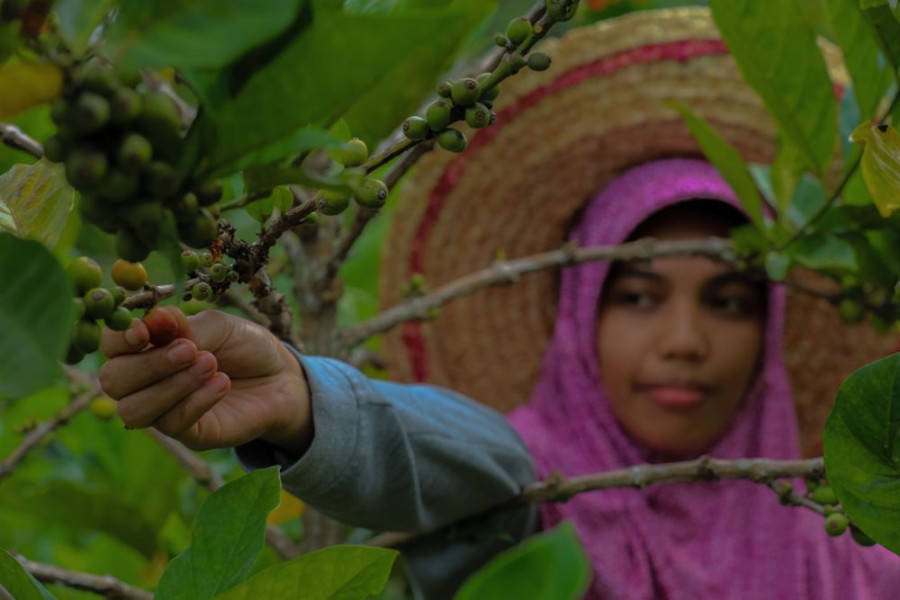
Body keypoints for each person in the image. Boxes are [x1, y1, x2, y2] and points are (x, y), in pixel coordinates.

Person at [97, 8, 900, 600]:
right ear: (579, 315)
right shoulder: (531, 498)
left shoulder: (858, 562)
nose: (684, 341)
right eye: (640, 296)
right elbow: (471, 459)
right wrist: (306, 403)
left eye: (727, 301)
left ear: (772, 328)